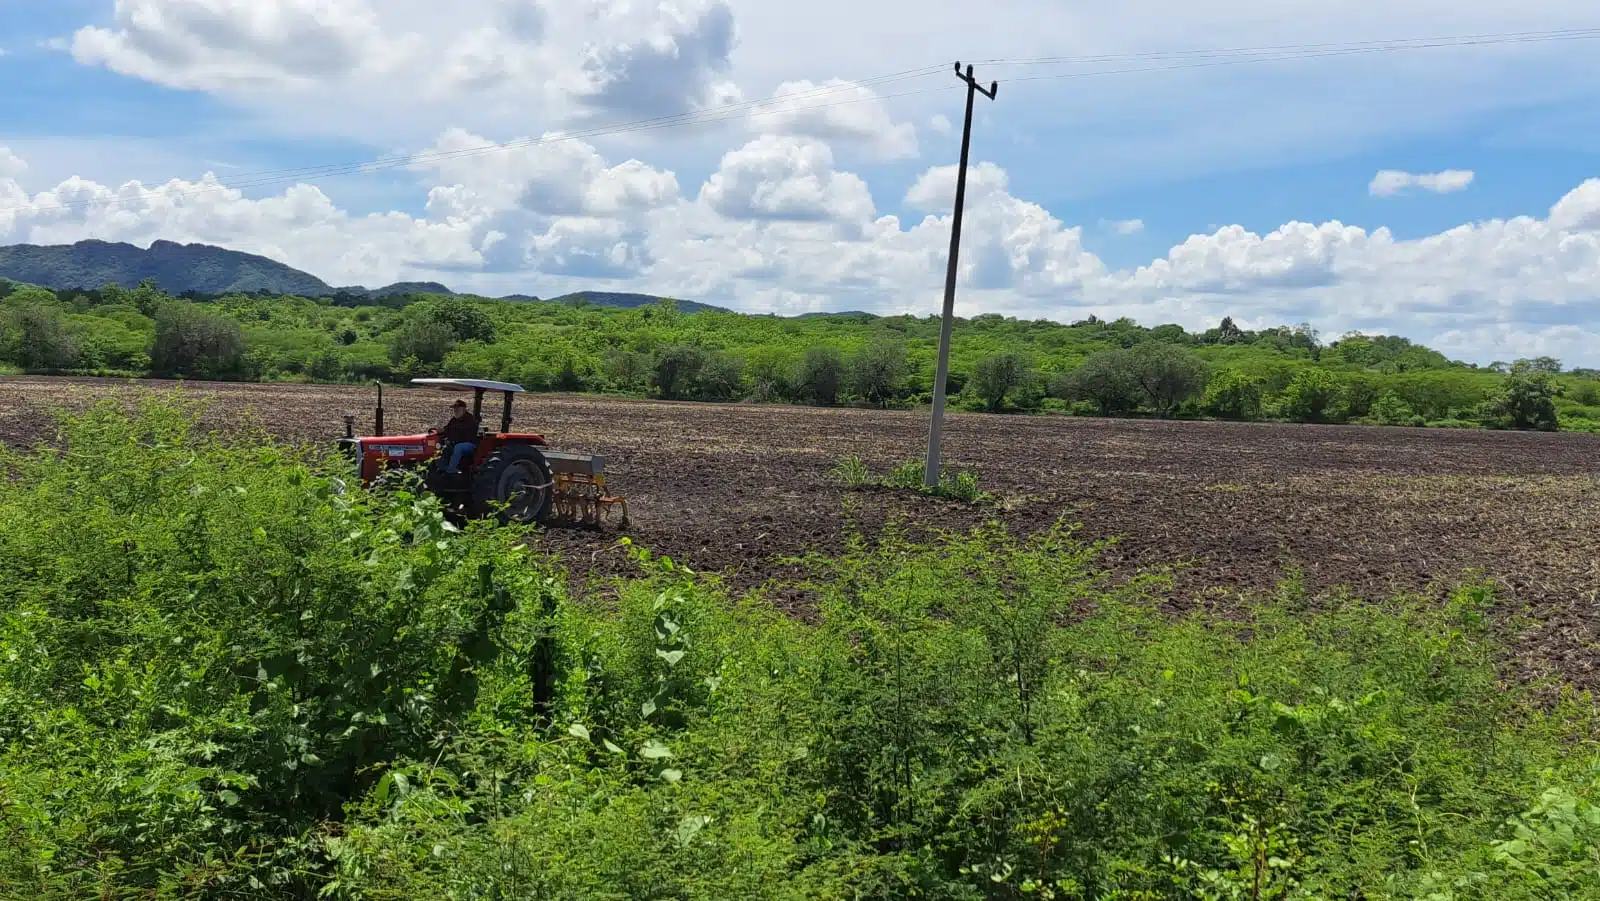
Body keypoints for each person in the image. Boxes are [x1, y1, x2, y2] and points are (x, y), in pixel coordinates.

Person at [439, 398, 480, 473]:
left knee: (459, 447)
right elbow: (448, 428)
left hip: (469, 444)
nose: (455, 410)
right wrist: (439, 432)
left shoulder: (470, 419)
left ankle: (451, 469)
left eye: (457, 408)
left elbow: (461, 428)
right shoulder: (454, 420)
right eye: (454, 409)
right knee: (444, 447)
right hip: (456, 442)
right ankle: (440, 468)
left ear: (463, 409)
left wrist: (447, 430)